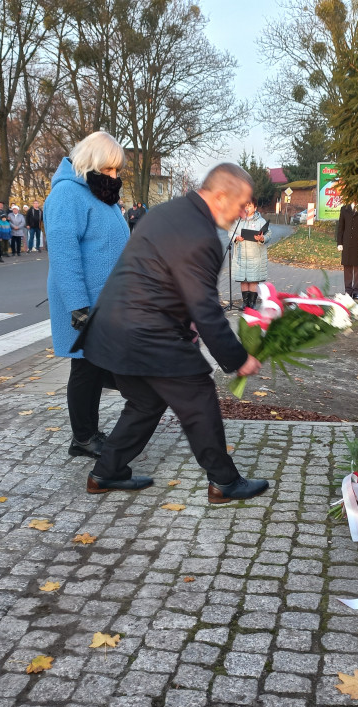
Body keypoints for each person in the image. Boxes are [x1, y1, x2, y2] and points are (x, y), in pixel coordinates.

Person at [75, 163, 269, 504]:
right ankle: (224, 482)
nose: (244, 211)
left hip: (112, 325)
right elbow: (205, 308)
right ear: (221, 195)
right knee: (199, 396)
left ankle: (106, 472)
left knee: (146, 401)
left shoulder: (170, 212)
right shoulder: (201, 235)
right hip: (145, 331)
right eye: (241, 203)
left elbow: (158, 277)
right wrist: (238, 359)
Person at [44, 131, 130, 458]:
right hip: (85, 302)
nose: (113, 177)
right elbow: (64, 255)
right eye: (108, 169)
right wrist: (78, 306)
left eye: (116, 171)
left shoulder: (100, 196)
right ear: (90, 162)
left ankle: (87, 433)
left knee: (92, 368)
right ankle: (83, 436)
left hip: (107, 302)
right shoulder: (67, 195)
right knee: (85, 368)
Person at [230, 198, 272, 310]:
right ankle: (245, 303)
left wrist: (262, 238)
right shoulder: (238, 220)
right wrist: (236, 238)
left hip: (255, 256)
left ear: (255, 207)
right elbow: (230, 232)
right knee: (243, 280)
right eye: (245, 206)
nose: (247, 208)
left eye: (249, 205)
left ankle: (252, 303)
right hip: (241, 255)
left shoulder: (261, 221)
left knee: (253, 280)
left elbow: (268, 235)